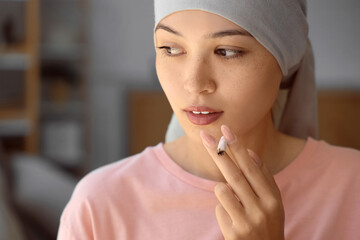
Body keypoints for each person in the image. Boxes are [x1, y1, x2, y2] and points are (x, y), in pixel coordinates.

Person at [57, 1, 360, 239]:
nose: (194, 83)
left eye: (227, 51)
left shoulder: (351, 188)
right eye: (171, 49)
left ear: (285, 58)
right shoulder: (99, 205)